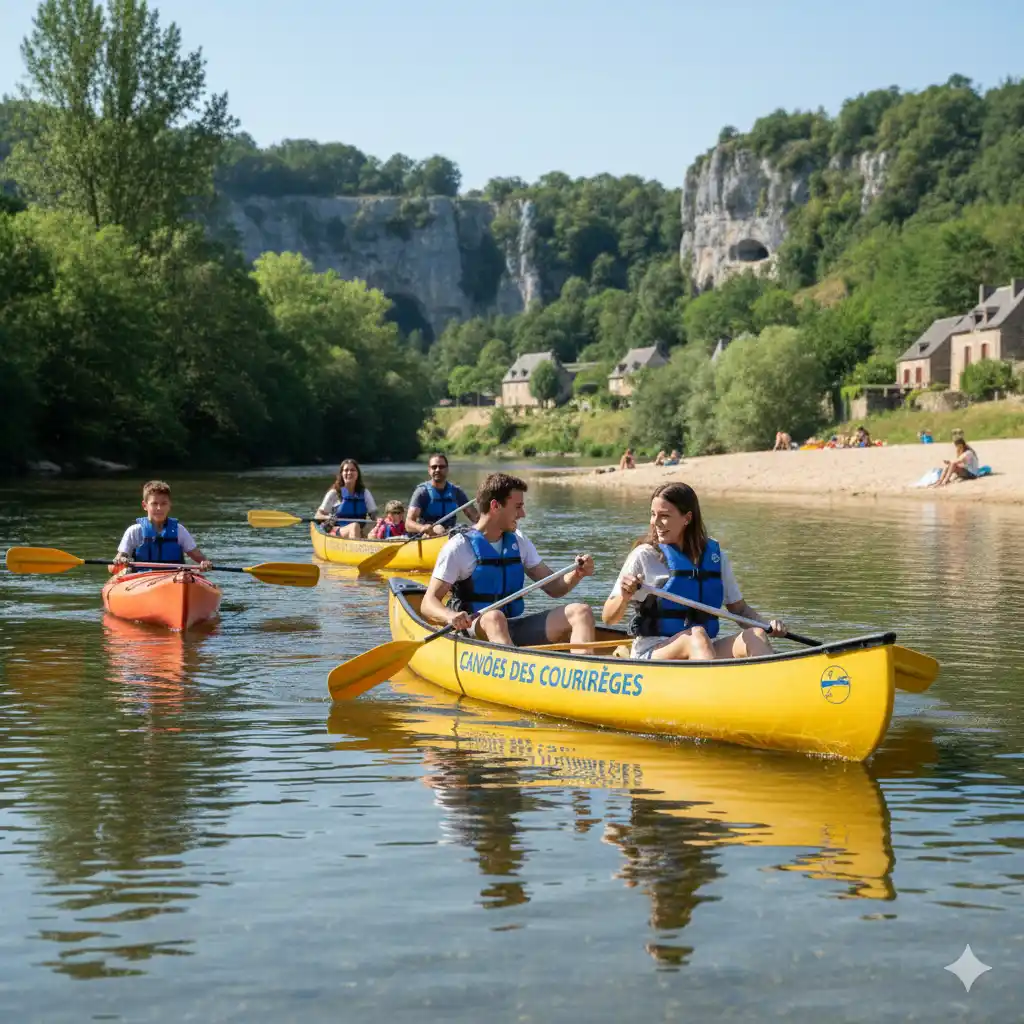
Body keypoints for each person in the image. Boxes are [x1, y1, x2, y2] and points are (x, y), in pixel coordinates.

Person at [601, 482, 787, 661]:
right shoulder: (643, 555)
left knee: (755, 634)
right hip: (654, 650)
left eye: (664, 515)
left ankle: (773, 688)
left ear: (687, 518)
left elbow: (739, 610)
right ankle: (713, 690)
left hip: (706, 648)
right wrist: (624, 598)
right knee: (696, 635)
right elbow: (608, 618)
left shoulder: (716, 557)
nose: (655, 522)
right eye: (653, 514)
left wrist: (766, 624)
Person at [420, 472, 596, 651]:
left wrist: (576, 575)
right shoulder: (459, 547)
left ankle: (586, 672)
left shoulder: (519, 541)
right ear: (495, 506)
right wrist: (450, 616)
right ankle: (517, 669)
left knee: (581, 612)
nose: (523, 514)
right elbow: (428, 603)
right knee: (494, 617)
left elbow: (555, 587)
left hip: (513, 626)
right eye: (518, 507)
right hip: (475, 628)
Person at [113, 480, 212, 573]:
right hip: (142, 578)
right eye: (154, 504)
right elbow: (121, 555)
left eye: (163, 504)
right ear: (145, 506)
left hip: (175, 577)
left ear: (169, 505)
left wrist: (205, 563)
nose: (159, 508)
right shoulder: (134, 531)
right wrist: (121, 559)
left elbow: (199, 557)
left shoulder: (179, 530)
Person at [406, 453, 479, 537]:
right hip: (429, 534)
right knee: (439, 528)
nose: (437, 470)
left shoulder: (456, 492)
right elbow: (408, 524)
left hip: (450, 532)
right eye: (434, 467)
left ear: (447, 469)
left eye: (441, 467)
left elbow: (475, 517)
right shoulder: (422, 492)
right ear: (429, 470)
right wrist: (421, 527)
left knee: (465, 527)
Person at [315, 459, 377, 539]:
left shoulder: (364, 493)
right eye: (346, 470)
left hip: (360, 530)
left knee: (374, 529)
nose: (349, 473)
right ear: (341, 473)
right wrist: (328, 517)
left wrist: (379, 523)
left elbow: (374, 517)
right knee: (354, 526)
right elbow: (317, 515)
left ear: (357, 473)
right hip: (338, 530)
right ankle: (356, 548)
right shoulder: (334, 493)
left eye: (352, 470)